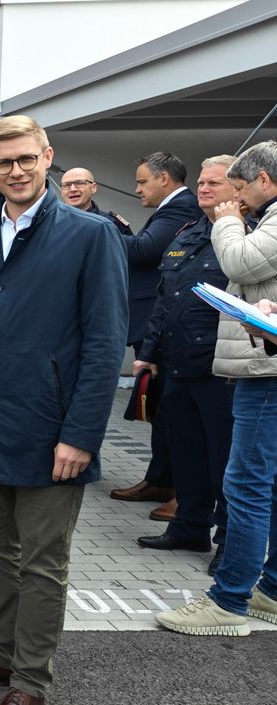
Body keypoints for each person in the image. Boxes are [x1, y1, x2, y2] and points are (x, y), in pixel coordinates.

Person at [0, 116, 127, 705]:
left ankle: (31, 681)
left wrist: (81, 434)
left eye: (25, 159)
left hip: (49, 429)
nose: (14, 171)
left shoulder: (90, 236)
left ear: (47, 157)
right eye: (3, 162)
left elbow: (104, 343)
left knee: (42, 562)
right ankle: (1, 652)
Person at [156, 139, 277, 637]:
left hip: (266, 374)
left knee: (246, 485)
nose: (237, 197)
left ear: (264, 180)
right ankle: (270, 590)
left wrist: (227, 220)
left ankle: (228, 600)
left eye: (241, 187)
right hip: (261, 363)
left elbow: (241, 263)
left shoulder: (262, 219)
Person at [131, 156, 239, 575]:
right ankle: (189, 526)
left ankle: (229, 541)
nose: (204, 188)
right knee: (186, 454)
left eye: (214, 183)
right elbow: (166, 298)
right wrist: (148, 352)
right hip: (176, 364)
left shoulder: (242, 237)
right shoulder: (190, 232)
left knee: (224, 462)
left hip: (219, 368)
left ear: (238, 189)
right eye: (201, 181)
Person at [112, 153, 202, 515]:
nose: (136, 189)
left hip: (170, 324)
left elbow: (143, 250)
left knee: (169, 410)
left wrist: (106, 229)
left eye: (142, 181)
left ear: (164, 179)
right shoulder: (173, 210)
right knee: (159, 407)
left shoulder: (179, 209)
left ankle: (181, 491)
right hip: (160, 319)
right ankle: (160, 478)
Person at [58, 167, 132, 235]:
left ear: (93, 188)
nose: (73, 189)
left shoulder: (111, 223)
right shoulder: (52, 221)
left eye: (80, 183)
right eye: (66, 185)